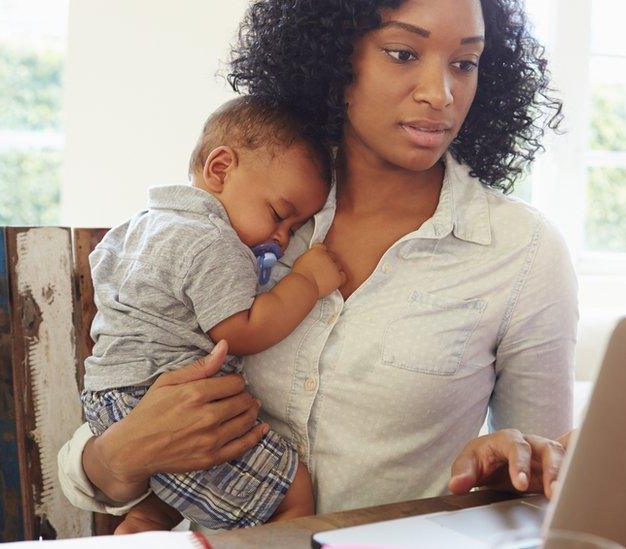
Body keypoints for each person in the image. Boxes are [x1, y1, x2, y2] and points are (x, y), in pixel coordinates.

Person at [57, 0, 579, 532]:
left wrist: (511, 469)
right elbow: (100, 456)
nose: (440, 94)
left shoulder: (522, 251)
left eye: (464, 64)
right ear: (334, 58)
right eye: (402, 53)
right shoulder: (252, 213)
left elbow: (541, 491)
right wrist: (121, 456)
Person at [78, 97, 347, 531]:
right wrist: (308, 283)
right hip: (158, 398)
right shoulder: (213, 242)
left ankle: (144, 521)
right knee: (291, 492)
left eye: (295, 229)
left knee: (171, 499)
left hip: (111, 397)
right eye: (280, 215)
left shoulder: (141, 225)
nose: (280, 238)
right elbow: (242, 330)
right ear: (220, 169)